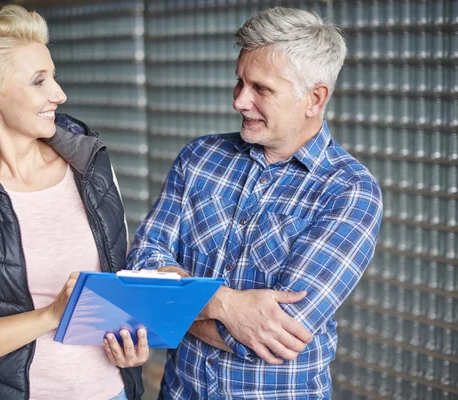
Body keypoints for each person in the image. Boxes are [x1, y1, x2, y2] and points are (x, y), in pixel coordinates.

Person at [127, 7, 383, 399]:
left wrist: (169, 306)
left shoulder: (349, 192)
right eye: (239, 83)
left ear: (314, 99)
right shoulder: (200, 158)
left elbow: (275, 335)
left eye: (261, 89)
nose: (240, 102)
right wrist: (225, 304)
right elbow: (143, 261)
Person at [0, 5, 148, 400]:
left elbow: (116, 291)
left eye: (54, 76)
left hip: (111, 391)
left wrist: (134, 343)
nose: (59, 93)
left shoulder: (90, 165)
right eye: (39, 81)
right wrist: (50, 316)